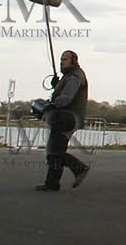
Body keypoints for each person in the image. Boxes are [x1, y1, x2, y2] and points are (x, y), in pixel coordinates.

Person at [35, 49, 90, 191]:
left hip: (67, 118)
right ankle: (52, 183)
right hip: (64, 117)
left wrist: (52, 104)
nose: (61, 62)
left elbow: (66, 97)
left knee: (55, 151)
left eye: (65, 60)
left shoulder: (75, 77)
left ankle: (79, 168)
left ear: (73, 61)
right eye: (60, 60)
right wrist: (56, 85)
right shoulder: (69, 76)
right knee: (55, 149)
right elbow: (64, 92)